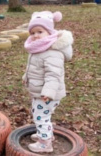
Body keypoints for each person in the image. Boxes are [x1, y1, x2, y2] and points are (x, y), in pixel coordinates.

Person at [22, 11, 74, 153]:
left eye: (40, 31)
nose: (36, 35)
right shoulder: (39, 48)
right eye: (33, 33)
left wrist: (48, 92)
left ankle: (45, 144)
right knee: (40, 114)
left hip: (48, 93)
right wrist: (25, 77)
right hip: (40, 91)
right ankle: (45, 135)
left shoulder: (52, 52)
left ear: (49, 32)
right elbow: (34, 68)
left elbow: (53, 75)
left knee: (41, 117)